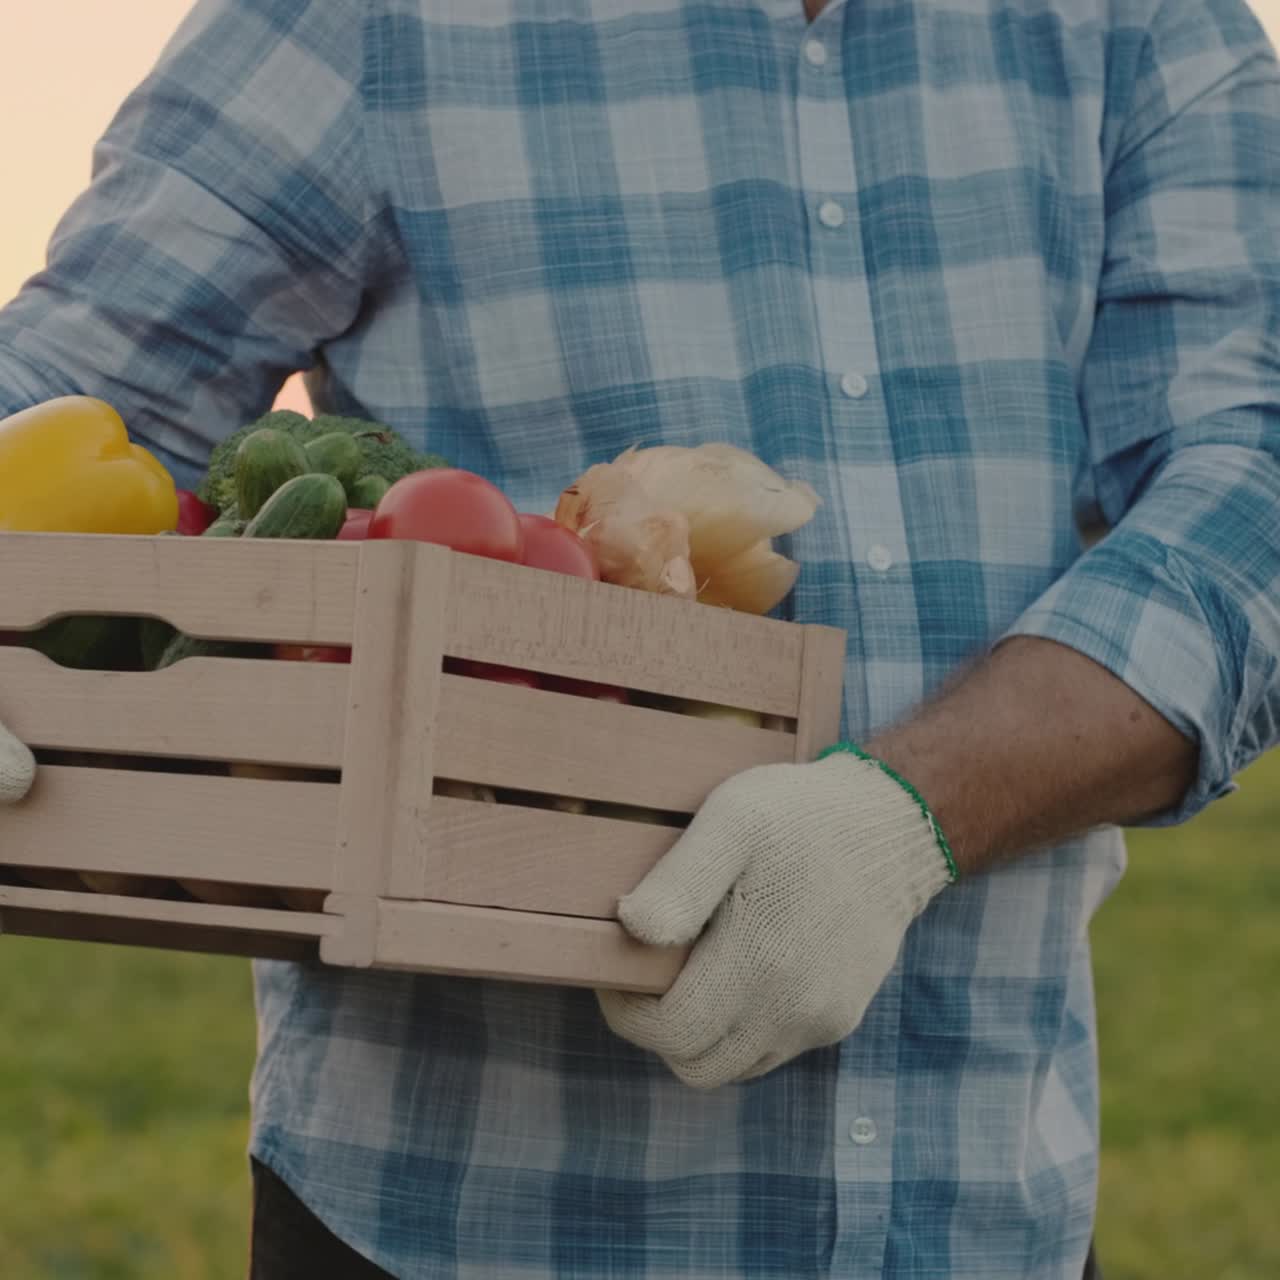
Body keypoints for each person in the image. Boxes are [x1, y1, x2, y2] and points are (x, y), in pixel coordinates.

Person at [2, 0, 1278, 1275]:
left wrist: (908, 819)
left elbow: (1251, 474)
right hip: (448, 1228)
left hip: (983, 1222)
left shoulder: (1134, 24)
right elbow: (65, 392)